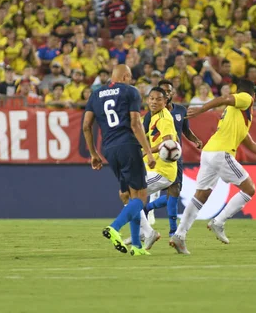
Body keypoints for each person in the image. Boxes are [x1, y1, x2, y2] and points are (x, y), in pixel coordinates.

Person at [170, 80, 256, 254]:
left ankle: (179, 235)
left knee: (200, 196)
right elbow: (224, 98)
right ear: (252, 95)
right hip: (221, 153)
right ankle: (219, 222)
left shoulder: (237, 115)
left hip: (209, 153)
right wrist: (202, 109)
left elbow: (249, 143)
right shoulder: (246, 99)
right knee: (249, 189)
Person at [82, 64, 156, 256]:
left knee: (130, 196)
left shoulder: (95, 94)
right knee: (140, 196)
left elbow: (86, 127)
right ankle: (114, 227)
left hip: (109, 149)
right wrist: (148, 151)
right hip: (128, 146)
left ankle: (137, 247)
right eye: (130, 77)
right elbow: (135, 123)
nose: (131, 81)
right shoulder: (130, 91)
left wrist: (93, 153)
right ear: (125, 76)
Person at [137, 79, 202, 238]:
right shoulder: (152, 116)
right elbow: (144, 135)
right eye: (163, 92)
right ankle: (167, 227)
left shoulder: (180, 110)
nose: (166, 93)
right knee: (149, 191)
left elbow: (186, 130)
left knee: (175, 191)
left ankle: (167, 225)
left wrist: (195, 140)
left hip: (174, 155)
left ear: (170, 95)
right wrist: (144, 151)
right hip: (157, 158)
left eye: (168, 91)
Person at [119, 86, 178, 250]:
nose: (154, 102)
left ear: (165, 101)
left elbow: (168, 143)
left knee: (130, 194)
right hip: (153, 169)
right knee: (127, 195)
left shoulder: (164, 118)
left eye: (159, 99)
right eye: (151, 98)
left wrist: (146, 151)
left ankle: (146, 232)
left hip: (163, 171)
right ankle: (144, 232)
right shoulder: (153, 117)